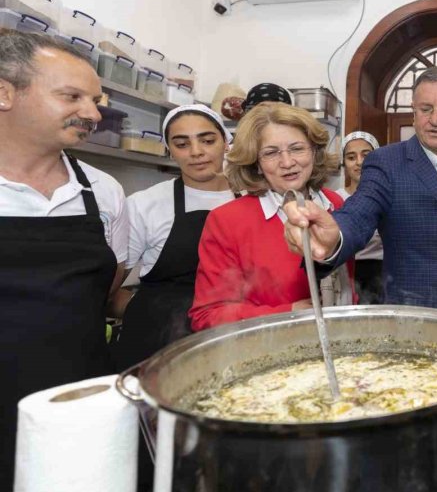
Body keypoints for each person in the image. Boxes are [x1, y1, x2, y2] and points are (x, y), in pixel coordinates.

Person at [283, 66, 437, 327]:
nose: (434, 119)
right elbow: (359, 211)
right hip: (421, 323)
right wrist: (335, 235)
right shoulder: (387, 163)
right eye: (425, 109)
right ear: (413, 113)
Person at [0, 31, 128, 487]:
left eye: (95, 100)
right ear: (5, 92)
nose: (93, 114)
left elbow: (108, 285)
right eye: (72, 96)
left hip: (79, 406)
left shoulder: (103, 192)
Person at [190, 102, 353, 331]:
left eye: (297, 148)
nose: (287, 163)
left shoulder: (335, 204)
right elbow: (208, 315)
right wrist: (288, 314)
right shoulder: (227, 221)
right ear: (256, 163)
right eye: (271, 153)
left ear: (314, 153)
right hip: (267, 348)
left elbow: (347, 287)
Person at [113, 105, 237, 369]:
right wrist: (154, 311)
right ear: (169, 149)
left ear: (226, 143)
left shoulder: (252, 199)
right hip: (158, 348)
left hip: (234, 339)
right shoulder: (145, 204)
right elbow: (107, 290)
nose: (196, 152)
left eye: (207, 140)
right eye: (182, 144)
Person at [337, 131, 385, 305]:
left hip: (383, 275)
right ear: (344, 164)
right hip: (346, 275)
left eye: (366, 155)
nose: (359, 162)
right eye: (351, 157)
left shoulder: (388, 197)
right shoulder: (335, 199)